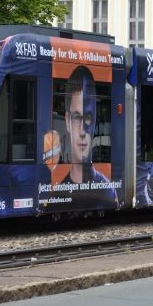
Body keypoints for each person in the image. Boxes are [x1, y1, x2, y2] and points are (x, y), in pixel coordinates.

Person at [52, 66, 117, 206]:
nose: (82, 131)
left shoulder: (109, 192)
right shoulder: (55, 197)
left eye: (87, 118)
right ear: (68, 122)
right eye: (76, 118)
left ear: (94, 121)